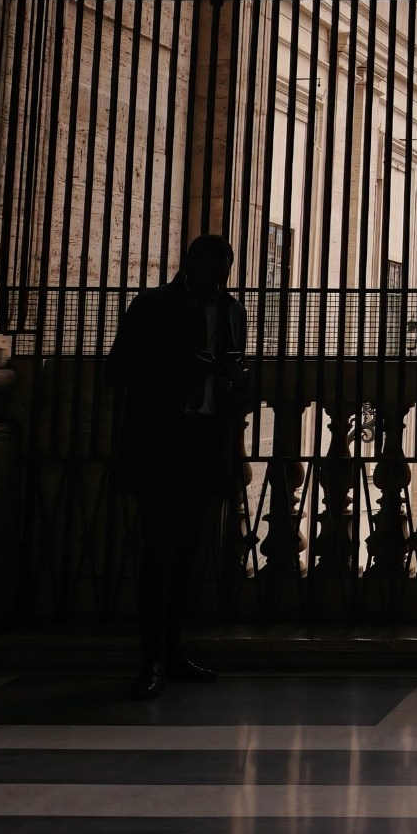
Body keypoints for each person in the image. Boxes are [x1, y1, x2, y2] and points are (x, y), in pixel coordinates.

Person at [105, 233, 249, 700]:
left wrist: (230, 375)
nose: (218, 278)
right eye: (212, 269)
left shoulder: (232, 311)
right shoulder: (152, 306)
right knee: (156, 555)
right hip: (162, 441)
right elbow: (119, 370)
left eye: (224, 270)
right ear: (190, 266)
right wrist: (185, 367)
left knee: (186, 555)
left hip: (206, 442)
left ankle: (172, 651)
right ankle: (151, 661)